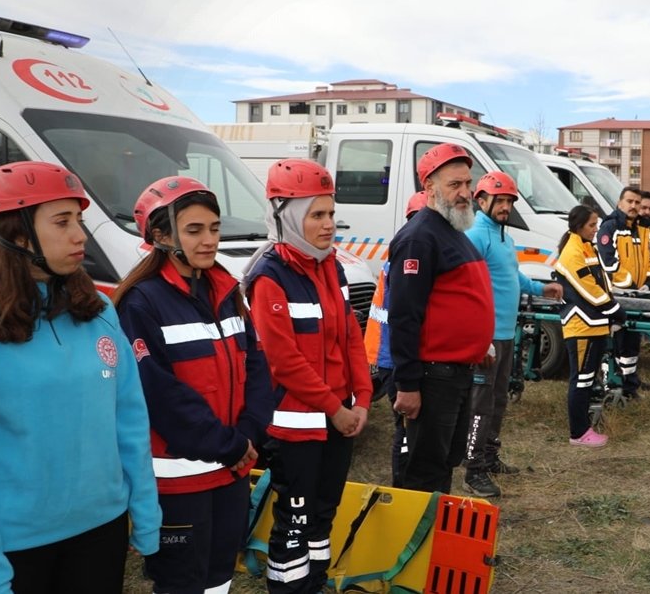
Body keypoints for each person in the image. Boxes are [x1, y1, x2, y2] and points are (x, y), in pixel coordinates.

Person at [0, 161, 161, 594]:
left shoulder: (99, 311)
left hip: (102, 530)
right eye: (62, 222)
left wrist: (145, 511)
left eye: (78, 220)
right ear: (15, 234)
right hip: (14, 545)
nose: (80, 235)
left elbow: (129, 420)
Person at [110, 177, 273, 594]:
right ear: (162, 237)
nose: (209, 240)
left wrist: (249, 433)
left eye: (214, 228)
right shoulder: (142, 303)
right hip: (179, 482)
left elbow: (256, 365)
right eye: (195, 230)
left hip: (231, 470)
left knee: (219, 578)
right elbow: (160, 394)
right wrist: (230, 445)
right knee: (182, 582)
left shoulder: (226, 290)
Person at [243, 159, 373, 592]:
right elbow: (284, 361)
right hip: (297, 428)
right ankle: (288, 586)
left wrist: (362, 399)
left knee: (323, 515)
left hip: (338, 420)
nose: (328, 224)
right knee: (295, 522)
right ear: (288, 216)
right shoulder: (269, 277)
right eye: (317, 214)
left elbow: (351, 338)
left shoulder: (331, 266)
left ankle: (313, 583)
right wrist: (336, 408)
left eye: (331, 213)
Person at [387, 144, 494, 493]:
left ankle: (436, 527)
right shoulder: (419, 238)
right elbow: (404, 315)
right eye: (454, 185)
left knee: (444, 461)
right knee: (424, 472)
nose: (465, 192)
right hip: (432, 379)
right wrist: (407, 385)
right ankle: (420, 528)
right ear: (429, 187)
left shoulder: (453, 230)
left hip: (456, 374)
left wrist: (479, 345)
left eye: (468, 183)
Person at [463, 172, 564, 498]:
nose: (505, 207)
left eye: (509, 201)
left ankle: (490, 457)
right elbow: (463, 287)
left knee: (498, 399)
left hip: (506, 334)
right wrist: (477, 335)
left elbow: (512, 276)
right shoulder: (475, 236)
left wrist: (540, 288)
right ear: (481, 201)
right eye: (500, 201)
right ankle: (473, 469)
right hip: (486, 337)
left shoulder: (504, 238)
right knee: (480, 404)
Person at [363, 191, 427, 486]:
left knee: (408, 427)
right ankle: (402, 487)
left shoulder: (402, 255)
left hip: (389, 354)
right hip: (393, 357)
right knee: (405, 428)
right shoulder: (407, 261)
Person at [553, 205, 621, 448]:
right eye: (592, 225)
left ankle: (583, 429)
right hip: (582, 326)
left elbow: (600, 281)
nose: (596, 230)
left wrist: (610, 307)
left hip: (593, 325)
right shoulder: (573, 251)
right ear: (579, 226)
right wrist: (614, 309)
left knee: (587, 378)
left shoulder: (585, 246)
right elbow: (589, 289)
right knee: (581, 380)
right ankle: (579, 432)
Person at [596, 186, 650, 398]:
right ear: (619, 203)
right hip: (616, 295)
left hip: (638, 296)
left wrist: (649, 283)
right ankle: (612, 385)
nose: (633, 206)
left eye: (637, 203)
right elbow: (609, 264)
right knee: (615, 343)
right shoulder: (609, 227)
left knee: (632, 343)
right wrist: (630, 286)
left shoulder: (645, 229)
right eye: (629, 201)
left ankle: (630, 385)